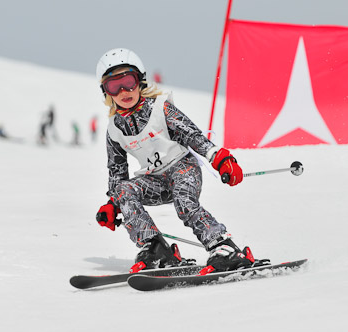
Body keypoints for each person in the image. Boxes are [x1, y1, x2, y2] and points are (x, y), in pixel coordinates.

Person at [94, 48, 259, 274]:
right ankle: (154, 248)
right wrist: (114, 204)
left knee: (184, 202)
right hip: (153, 181)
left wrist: (218, 158)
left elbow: (192, 135)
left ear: (140, 80)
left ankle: (224, 248)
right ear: (106, 92)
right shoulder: (114, 129)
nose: (124, 90)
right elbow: (117, 170)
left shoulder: (160, 108)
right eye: (114, 86)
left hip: (182, 168)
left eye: (128, 81)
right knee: (122, 189)